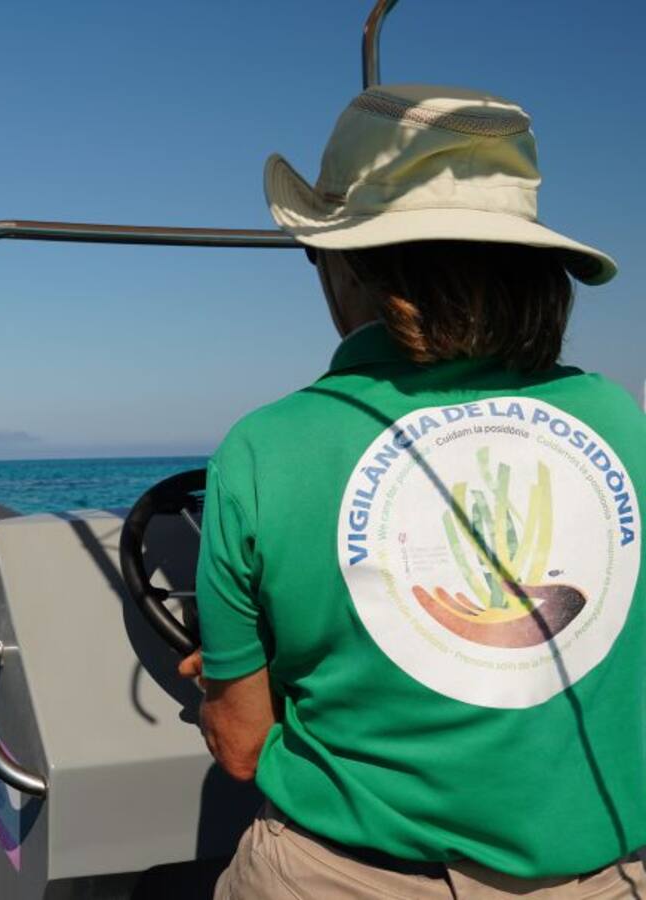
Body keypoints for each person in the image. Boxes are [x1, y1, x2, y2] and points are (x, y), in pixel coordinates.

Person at [186, 84, 646, 898]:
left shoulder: (264, 448)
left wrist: (234, 675)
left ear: (348, 261)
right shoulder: (622, 419)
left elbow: (243, 748)